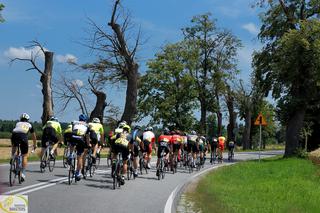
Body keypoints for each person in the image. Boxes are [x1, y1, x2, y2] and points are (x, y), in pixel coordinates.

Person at [11, 113, 37, 181]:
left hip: (14, 135)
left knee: (14, 148)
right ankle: (22, 174)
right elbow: (33, 136)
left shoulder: (17, 123)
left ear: (20, 119)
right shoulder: (29, 125)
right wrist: (35, 144)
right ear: (27, 120)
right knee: (24, 156)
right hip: (23, 136)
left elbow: (14, 131)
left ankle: (13, 157)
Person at [70, 114, 90, 181]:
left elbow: (73, 130)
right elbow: (87, 137)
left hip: (73, 136)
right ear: (85, 120)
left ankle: (70, 154)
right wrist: (88, 144)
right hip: (81, 138)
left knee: (72, 143)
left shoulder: (74, 122)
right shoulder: (87, 125)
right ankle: (78, 173)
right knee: (80, 157)